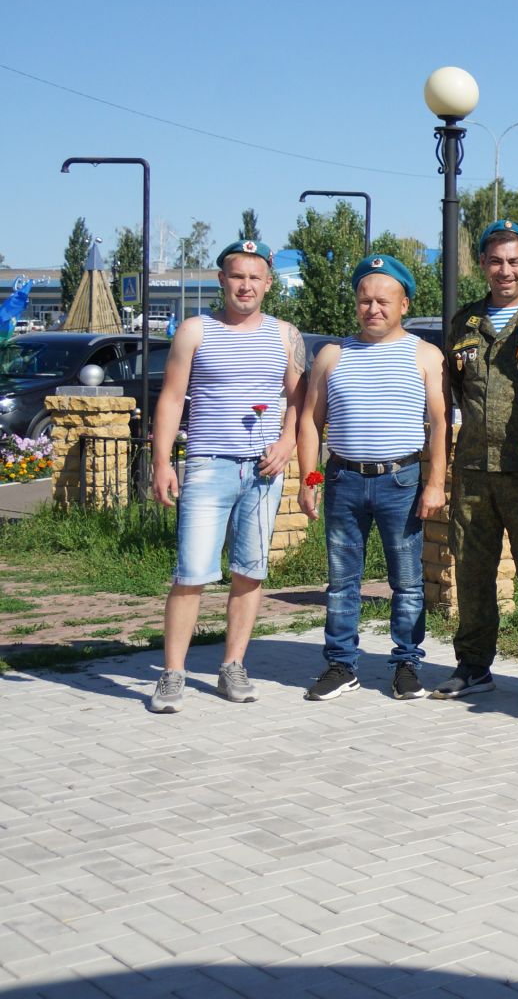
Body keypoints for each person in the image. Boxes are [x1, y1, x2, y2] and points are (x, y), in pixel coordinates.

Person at [146, 239, 306, 713]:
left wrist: (287, 442)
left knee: (249, 573)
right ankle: (172, 675)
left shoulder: (285, 335)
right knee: (191, 573)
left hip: (262, 469)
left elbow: (299, 400)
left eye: (255, 278)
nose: (246, 286)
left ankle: (232, 665)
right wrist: (161, 462)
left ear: (268, 284)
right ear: (222, 281)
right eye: (238, 276)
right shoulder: (195, 331)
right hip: (207, 465)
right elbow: (172, 399)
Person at [296, 254, 448, 701]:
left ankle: (406, 664)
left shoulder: (424, 354)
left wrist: (435, 482)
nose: (373, 309)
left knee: (407, 581)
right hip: (343, 480)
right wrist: (310, 481)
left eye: (384, 300)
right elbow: (310, 420)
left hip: (400, 482)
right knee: (342, 581)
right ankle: (341, 665)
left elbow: (439, 424)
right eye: (365, 300)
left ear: (405, 304)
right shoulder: (331, 354)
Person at [435, 220, 518, 704]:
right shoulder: (465, 322)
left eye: (515, 261)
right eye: (495, 261)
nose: (505, 270)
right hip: (473, 470)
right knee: (471, 570)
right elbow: (453, 393)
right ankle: (473, 665)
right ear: (484, 266)